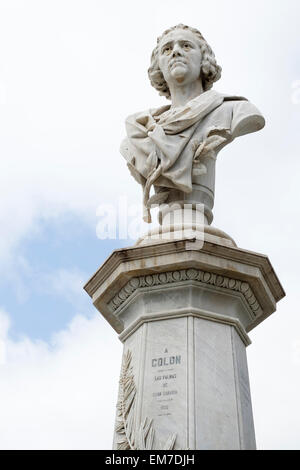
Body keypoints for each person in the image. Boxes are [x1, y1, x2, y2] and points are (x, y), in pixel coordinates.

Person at [120, 24, 265, 223]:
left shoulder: (234, 111)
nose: (176, 52)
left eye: (186, 46)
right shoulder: (139, 131)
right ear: (158, 66)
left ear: (203, 59)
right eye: (167, 49)